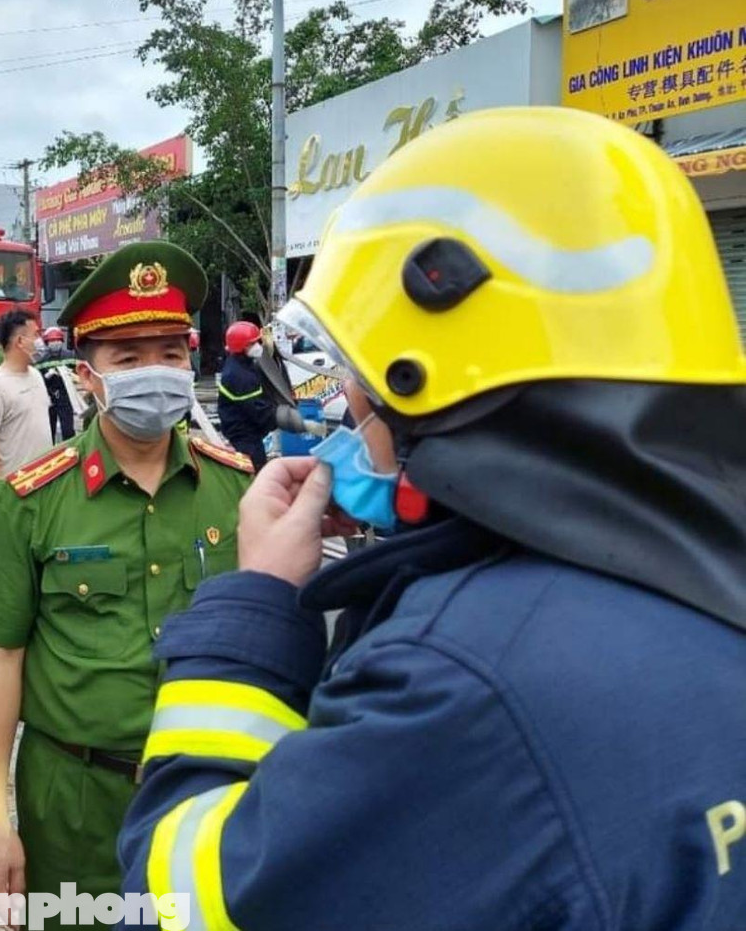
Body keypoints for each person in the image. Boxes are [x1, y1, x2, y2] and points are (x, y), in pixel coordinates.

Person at [118, 107, 746, 928]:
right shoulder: (696, 558)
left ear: (426, 377)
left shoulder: (464, 677)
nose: (347, 399)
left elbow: (179, 898)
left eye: (360, 372)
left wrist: (259, 602)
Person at [0, 242, 254, 929]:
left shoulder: (236, 486)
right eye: (129, 357)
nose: (156, 371)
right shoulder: (32, 499)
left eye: (170, 353)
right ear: (89, 375)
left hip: (211, 790)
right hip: (73, 799)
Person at [0, 308, 52, 478]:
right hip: (16, 487)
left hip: (44, 481)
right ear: (20, 341)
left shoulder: (36, 375)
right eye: (36, 335)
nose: (41, 340)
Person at [216, 320, 276, 471]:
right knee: (255, 474)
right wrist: (281, 417)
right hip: (245, 438)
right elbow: (259, 412)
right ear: (241, 347)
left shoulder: (241, 364)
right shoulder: (240, 376)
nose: (257, 346)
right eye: (253, 343)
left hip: (244, 433)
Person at [36, 326, 77, 443]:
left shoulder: (70, 355)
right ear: (47, 342)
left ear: (62, 341)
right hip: (48, 396)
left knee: (68, 429)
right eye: (52, 341)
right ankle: (50, 452)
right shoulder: (41, 359)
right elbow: (37, 378)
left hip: (65, 394)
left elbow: (78, 371)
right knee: (49, 430)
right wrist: (46, 376)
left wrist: (71, 374)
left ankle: (70, 449)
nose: (55, 343)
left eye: (57, 340)